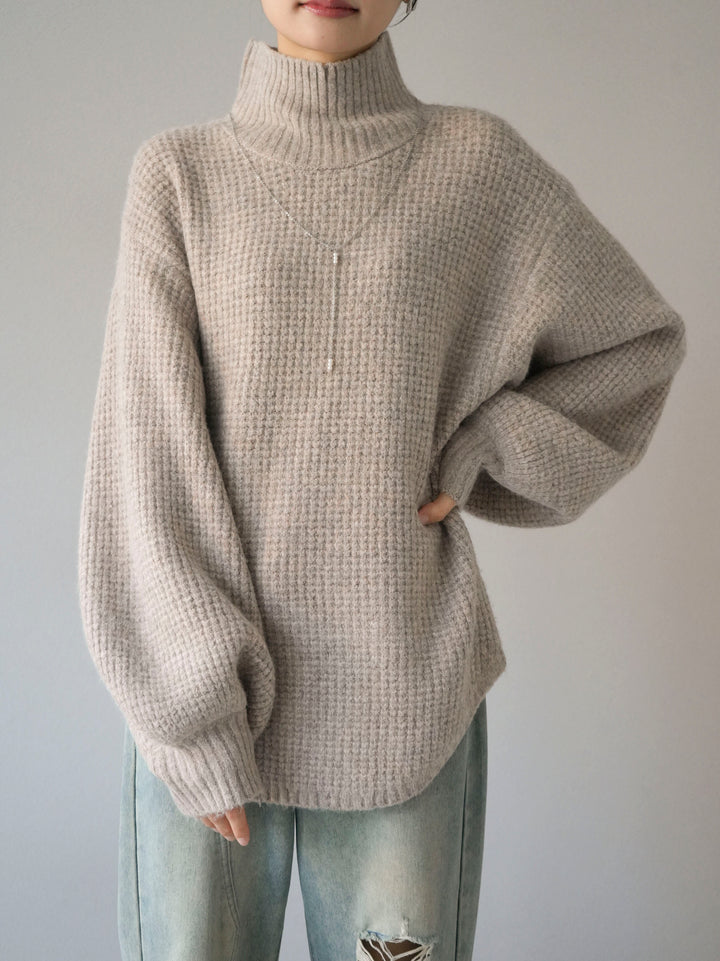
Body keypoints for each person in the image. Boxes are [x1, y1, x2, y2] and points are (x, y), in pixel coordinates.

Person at [76, 1, 687, 958]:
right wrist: (194, 719)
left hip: (406, 708)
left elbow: (635, 345)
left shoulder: (479, 167)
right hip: (195, 712)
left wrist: (490, 443)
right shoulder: (182, 177)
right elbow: (142, 466)